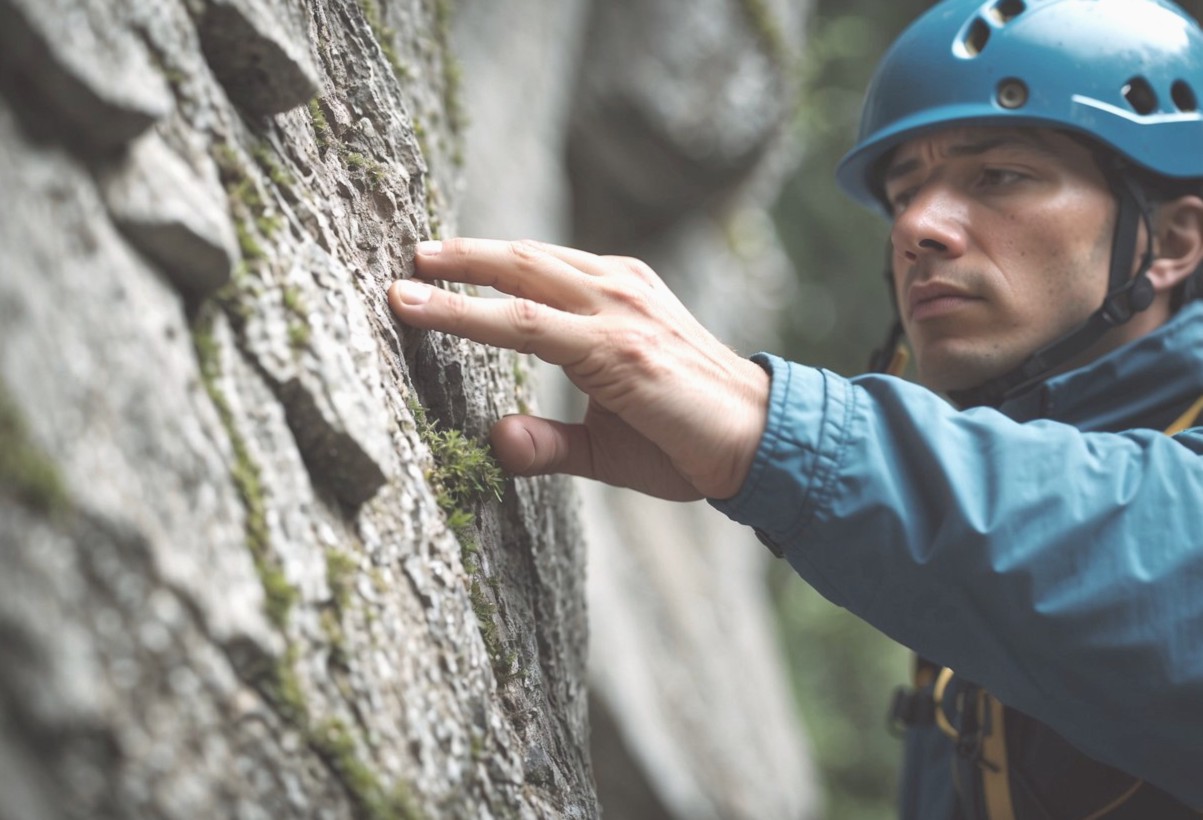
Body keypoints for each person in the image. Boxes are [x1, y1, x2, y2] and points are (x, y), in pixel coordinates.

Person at [387, 0, 1203, 816]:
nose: (917, 224)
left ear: (1168, 243)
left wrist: (776, 430)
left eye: (999, 175)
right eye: (903, 190)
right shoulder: (957, 564)